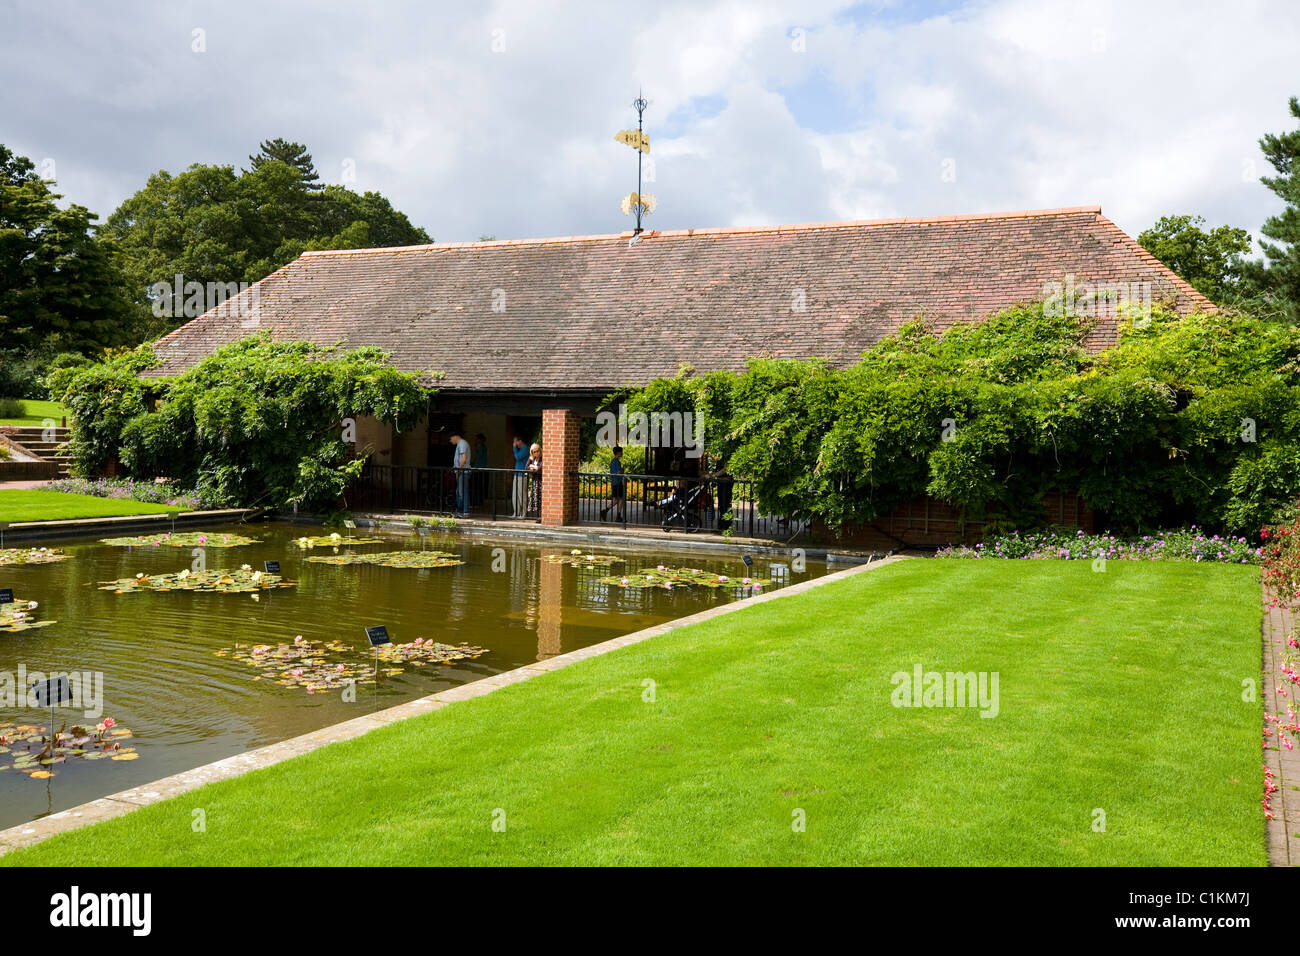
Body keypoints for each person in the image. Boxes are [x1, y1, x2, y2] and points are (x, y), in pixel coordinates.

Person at [601, 445, 626, 523]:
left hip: (614, 483)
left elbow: (612, 473)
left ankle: (605, 511)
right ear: (618, 452)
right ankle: (617, 516)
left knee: (616, 500)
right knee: (621, 499)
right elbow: (618, 473)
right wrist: (622, 470)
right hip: (618, 483)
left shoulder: (612, 461)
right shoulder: (617, 462)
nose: (622, 453)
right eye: (621, 451)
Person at [449, 431, 471, 516]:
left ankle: (463, 511)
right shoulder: (461, 444)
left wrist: (458, 470)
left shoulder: (462, 444)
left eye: (450, 439)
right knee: (459, 492)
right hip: (462, 471)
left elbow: (463, 459)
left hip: (463, 472)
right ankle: (460, 511)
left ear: (455, 436)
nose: (450, 441)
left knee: (462, 492)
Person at [510, 436, 529, 518]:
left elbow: (517, 457)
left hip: (522, 475)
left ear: (520, 441)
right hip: (517, 474)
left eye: (516, 442)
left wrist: (514, 448)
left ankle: (523, 513)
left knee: (522, 494)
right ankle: (516, 512)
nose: (515, 444)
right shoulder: (519, 449)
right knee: (515, 494)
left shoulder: (525, 448)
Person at [472, 433, 489, 505]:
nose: (475, 440)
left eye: (477, 439)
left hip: (478, 469)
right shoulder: (484, 447)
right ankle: (480, 501)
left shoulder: (480, 447)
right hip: (483, 468)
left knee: (477, 486)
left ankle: (477, 502)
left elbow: (477, 457)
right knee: (481, 486)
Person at [526, 443, 542, 517]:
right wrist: (532, 465)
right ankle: (538, 516)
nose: (536, 453)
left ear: (540, 450)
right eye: (534, 452)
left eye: (537, 451)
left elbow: (540, 468)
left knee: (541, 500)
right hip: (534, 481)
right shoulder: (532, 458)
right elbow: (526, 467)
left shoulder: (542, 458)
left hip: (541, 482)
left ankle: (541, 517)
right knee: (536, 501)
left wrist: (533, 466)